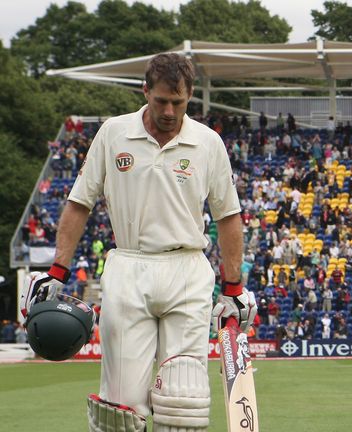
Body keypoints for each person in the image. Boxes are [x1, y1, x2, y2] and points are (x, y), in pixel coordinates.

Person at [20, 53, 257, 432]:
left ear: (190, 96)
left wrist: (233, 289)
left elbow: (228, 215)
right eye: (161, 100)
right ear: (145, 91)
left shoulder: (208, 142)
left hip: (187, 271)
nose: (169, 111)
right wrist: (57, 271)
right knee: (119, 410)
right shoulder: (113, 133)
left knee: (183, 402)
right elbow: (79, 203)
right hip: (128, 269)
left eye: (178, 102)